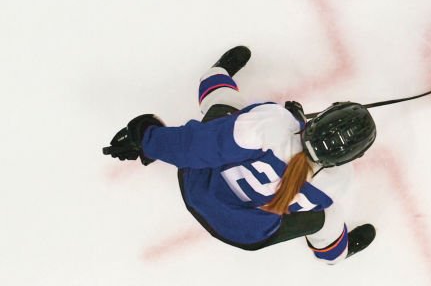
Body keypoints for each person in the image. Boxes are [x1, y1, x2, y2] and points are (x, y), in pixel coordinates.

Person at [102, 46, 376, 262]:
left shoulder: (273, 123)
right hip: (245, 231)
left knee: (224, 103)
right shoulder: (339, 181)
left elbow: (194, 146)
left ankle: (218, 73)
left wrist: (145, 137)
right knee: (329, 218)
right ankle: (335, 255)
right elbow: (296, 172)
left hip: (198, 186)